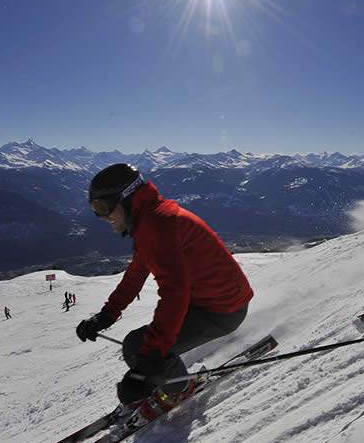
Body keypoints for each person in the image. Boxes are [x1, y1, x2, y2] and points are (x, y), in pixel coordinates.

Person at [76, 164, 254, 421]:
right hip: (210, 301)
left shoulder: (158, 225)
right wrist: (105, 316)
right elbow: (136, 274)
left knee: (139, 347)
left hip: (223, 309)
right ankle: (168, 382)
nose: (103, 218)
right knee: (137, 347)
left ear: (126, 199)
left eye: (103, 209)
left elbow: (174, 294)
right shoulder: (151, 219)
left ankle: (179, 389)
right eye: (95, 211)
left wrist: (149, 361)